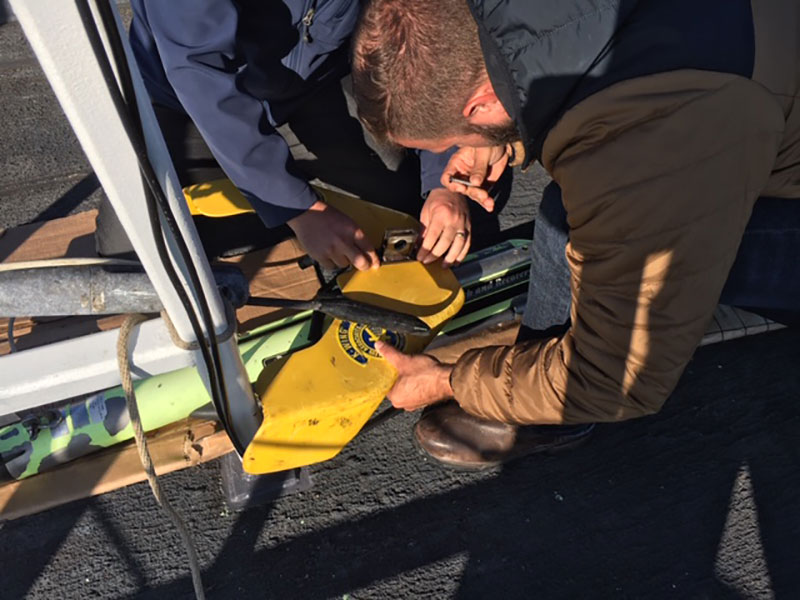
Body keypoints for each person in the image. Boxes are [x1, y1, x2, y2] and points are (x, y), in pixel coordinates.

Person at [351, 0, 800, 469]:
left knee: (581, 234)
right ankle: (530, 385)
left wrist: (450, 380)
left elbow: (620, 375)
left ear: (481, 104)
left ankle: (548, 412)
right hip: (760, 95)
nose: (459, 155)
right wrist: (505, 135)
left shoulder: (641, 150)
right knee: (570, 218)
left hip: (744, 143)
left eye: (453, 142)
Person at [96, 0, 472, 270]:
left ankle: (275, 202)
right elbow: (201, 75)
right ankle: (272, 203)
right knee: (129, 256)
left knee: (401, 215)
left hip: (315, 85)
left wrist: (445, 177)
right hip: (187, 105)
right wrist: (299, 208)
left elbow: (431, 28)